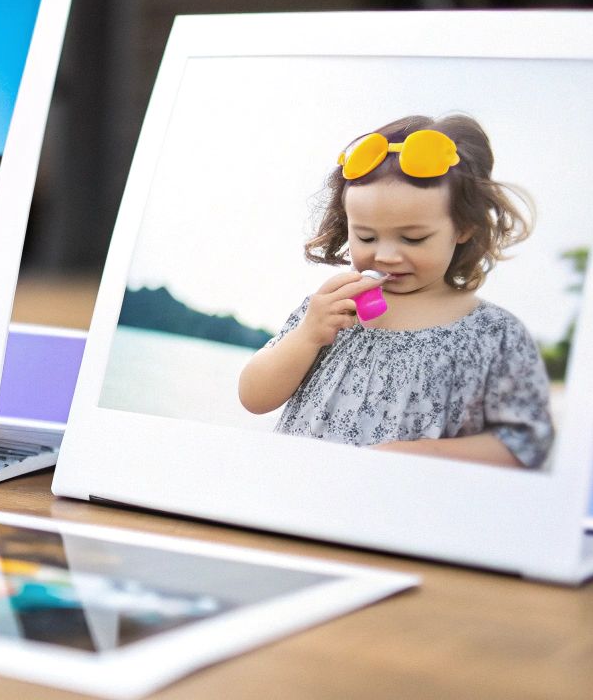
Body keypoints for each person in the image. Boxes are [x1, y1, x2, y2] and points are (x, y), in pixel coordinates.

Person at [237, 114, 555, 468]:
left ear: (464, 227)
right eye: (367, 236)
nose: (386, 255)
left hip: (398, 511)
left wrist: (422, 453)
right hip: (292, 490)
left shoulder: (491, 334)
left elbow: (526, 441)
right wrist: (308, 335)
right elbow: (254, 397)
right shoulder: (332, 307)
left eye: (413, 238)